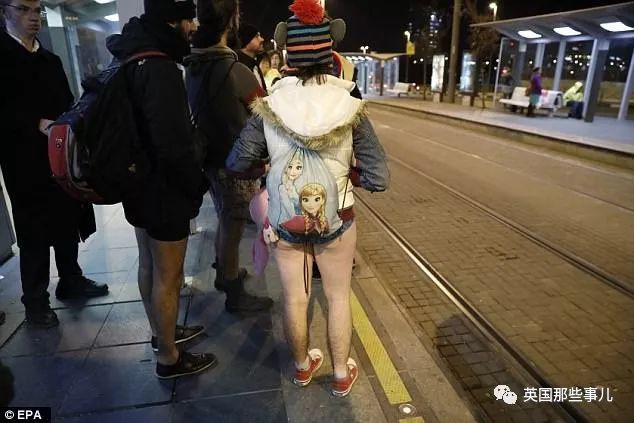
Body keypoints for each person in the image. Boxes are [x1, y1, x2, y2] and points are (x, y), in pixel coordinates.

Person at [226, 0, 389, 397]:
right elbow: (379, 178)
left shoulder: (269, 106)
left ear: (288, 53)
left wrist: (270, 166)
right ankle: (340, 374)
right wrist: (348, 175)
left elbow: (236, 161)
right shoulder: (350, 107)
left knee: (294, 299)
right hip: (338, 219)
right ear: (330, 49)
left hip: (285, 220)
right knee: (337, 297)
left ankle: (301, 368)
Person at [106, 0, 216, 379]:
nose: (193, 26)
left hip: (137, 183)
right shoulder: (161, 67)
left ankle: (161, 334)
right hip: (164, 189)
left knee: (148, 265)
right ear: (173, 21)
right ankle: (169, 358)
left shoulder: (130, 54)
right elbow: (173, 146)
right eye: (189, 18)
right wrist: (195, 185)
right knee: (168, 278)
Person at [0, 0, 108, 329]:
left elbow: (65, 101)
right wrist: (35, 123)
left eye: (37, 11)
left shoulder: (50, 59)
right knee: (33, 229)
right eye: (23, 9)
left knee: (66, 216)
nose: (33, 17)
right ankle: (35, 301)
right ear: (5, 11)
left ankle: (70, 279)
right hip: (22, 158)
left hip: (59, 153)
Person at [185, 0, 272, 313]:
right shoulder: (235, 70)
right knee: (233, 225)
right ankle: (234, 291)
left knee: (225, 218)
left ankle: (225, 272)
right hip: (237, 163)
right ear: (231, 20)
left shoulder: (194, 65)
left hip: (210, 158)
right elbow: (266, 116)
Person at [235, 22, 267, 93]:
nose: (262, 39)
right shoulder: (240, 68)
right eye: (257, 36)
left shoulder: (254, 64)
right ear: (246, 42)